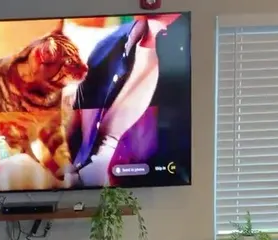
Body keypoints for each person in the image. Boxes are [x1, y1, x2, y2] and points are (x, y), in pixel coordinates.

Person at [68, 13, 191, 188]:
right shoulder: (108, 46)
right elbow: (74, 139)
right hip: (80, 188)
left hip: (138, 196)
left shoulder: (197, 54)